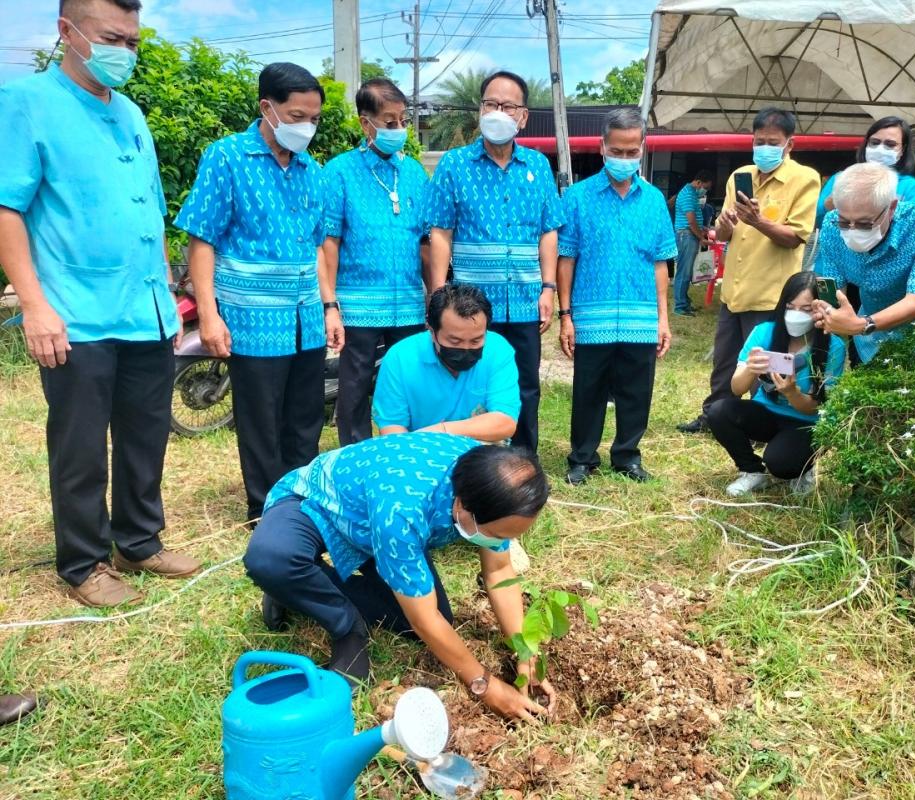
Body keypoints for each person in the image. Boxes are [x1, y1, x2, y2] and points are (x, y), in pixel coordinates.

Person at [0, 0, 200, 607]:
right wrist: (35, 306)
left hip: (145, 309)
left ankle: (138, 540)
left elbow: (147, 207)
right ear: (68, 32)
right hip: (74, 312)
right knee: (81, 443)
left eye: (134, 40)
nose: (126, 51)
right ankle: (83, 561)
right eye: (113, 37)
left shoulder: (132, 113)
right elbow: (7, 211)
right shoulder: (26, 102)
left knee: (146, 435)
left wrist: (168, 288)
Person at [243, 433, 557, 722]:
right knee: (271, 559)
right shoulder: (404, 510)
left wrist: (525, 651)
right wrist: (484, 685)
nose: (500, 543)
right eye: (499, 535)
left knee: (423, 623)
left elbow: (499, 570)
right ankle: (336, 617)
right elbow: (426, 618)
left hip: (379, 530)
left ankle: (300, 585)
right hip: (317, 503)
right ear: (463, 505)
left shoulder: (494, 482)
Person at [175, 63, 344, 522]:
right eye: (296, 116)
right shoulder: (227, 158)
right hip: (250, 320)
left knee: (306, 416)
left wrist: (329, 306)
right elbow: (202, 239)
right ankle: (265, 507)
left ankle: (300, 500)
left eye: (313, 118)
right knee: (260, 418)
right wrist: (208, 316)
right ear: (266, 108)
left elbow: (316, 249)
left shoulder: (312, 170)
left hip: (304, 317)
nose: (306, 127)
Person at [424, 69, 565, 454]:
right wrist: (438, 292)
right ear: (479, 110)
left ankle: (521, 461)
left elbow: (548, 231)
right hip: (470, 303)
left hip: (523, 299)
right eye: (490, 104)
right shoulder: (454, 165)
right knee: (468, 380)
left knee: (524, 383)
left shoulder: (537, 166)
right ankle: (469, 458)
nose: (497, 112)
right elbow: (441, 232)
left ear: (522, 116)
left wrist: (548, 287)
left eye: (507, 106)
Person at [678, 108, 820, 434]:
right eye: (759, 141)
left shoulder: (804, 178)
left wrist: (759, 221)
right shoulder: (739, 175)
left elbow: (796, 235)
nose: (765, 148)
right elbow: (724, 235)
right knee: (726, 360)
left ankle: (759, 421)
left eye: (773, 142)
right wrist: (724, 225)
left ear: (789, 144)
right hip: (736, 288)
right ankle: (714, 415)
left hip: (772, 291)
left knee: (764, 362)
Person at [557, 108, 676, 485]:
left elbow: (660, 263)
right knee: (588, 390)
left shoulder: (655, 200)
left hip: (641, 317)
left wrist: (663, 318)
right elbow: (567, 259)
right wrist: (566, 316)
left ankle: (627, 455)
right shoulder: (577, 198)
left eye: (631, 151)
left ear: (642, 147)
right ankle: (582, 457)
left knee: (636, 391)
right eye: (617, 150)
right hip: (592, 317)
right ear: (602, 146)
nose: (625, 159)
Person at [323, 77, 428, 445]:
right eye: (389, 121)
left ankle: (407, 444)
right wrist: (330, 304)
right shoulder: (339, 171)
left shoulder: (414, 171)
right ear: (364, 122)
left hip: (410, 304)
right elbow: (329, 242)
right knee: (355, 380)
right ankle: (356, 448)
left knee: (410, 377)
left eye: (402, 120)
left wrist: (434, 296)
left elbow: (426, 241)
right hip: (358, 302)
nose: (398, 128)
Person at [706, 271, 847, 496]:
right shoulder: (765, 333)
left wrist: (792, 393)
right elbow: (736, 389)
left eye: (807, 309)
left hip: (806, 422)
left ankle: (804, 467)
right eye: (790, 307)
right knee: (718, 411)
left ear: (822, 310)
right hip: (767, 411)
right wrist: (751, 369)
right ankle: (752, 471)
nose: (796, 315)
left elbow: (819, 407)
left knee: (782, 464)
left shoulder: (833, 347)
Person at [812, 162, 915, 362]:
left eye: (864, 224)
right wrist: (828, 313)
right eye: (845, 222)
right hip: (876, 323)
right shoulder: (831, 225)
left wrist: (861, 325)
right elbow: (831, 289)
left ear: (891, 208)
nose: (852, 230)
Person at [373, 284, 520, 442]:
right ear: (432, 330)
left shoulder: (498, 349)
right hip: (420, 450)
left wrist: (441, 430)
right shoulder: (400, 358)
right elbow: (392, 428)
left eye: (476, 340)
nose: (465, 348)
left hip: (482, 453)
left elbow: (505, 422)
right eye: (454, 341)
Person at [815, 116, 915, 229]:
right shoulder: (840, 179)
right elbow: (814, 222)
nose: (880, 149)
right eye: (875, 142)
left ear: (902, 149)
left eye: (890, 144)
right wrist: (828, 206)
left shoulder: (910, 187)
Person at [672, 169, 713, 316]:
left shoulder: (691, 194)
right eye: (706, 187)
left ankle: (685, 302)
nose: (705, 191)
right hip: (687, 235)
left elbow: (694, 219)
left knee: (687, 272)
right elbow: (690, 220)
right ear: (699, 182)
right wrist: (701, 237)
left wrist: (702, 230)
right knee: (684, 271)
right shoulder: (688, 194)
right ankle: (680, 306)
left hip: (690, 235)